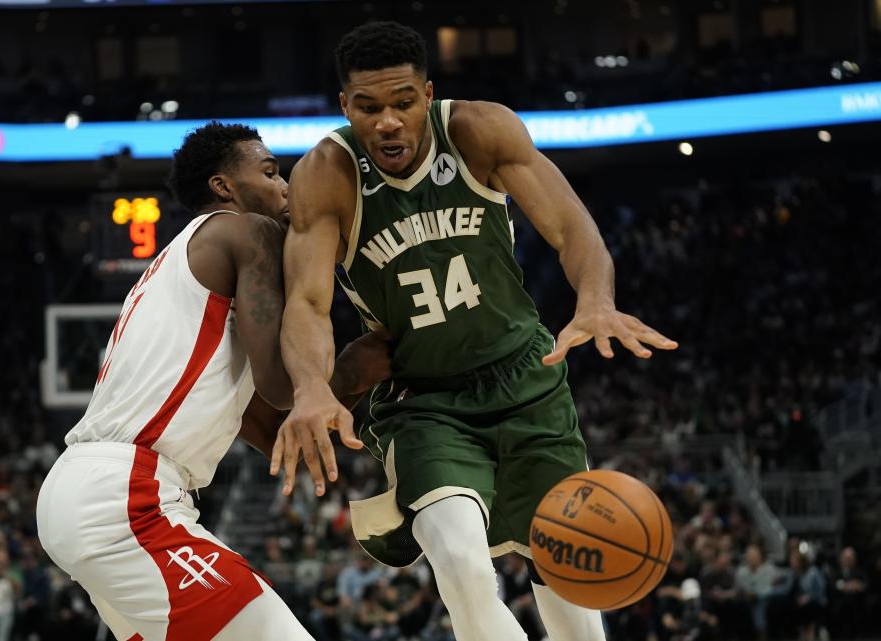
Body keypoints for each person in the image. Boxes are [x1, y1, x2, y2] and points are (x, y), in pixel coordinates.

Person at [274, 20, 677, 641]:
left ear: (428, 95)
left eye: (403, 103)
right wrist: (310, 387)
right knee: (460, 564)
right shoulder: (328, 172)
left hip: (526, 380)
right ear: (344, 106)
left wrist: (595, 299)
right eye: (369, 107)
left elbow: (572, 227)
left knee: (569, 573)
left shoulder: (479, 130)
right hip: (425, 400)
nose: (388, 122)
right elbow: (305, 300)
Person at [36, 122, 390, 641]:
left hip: (90, 493)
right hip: (127, 499)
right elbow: (280, 385)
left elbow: (268, 422)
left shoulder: (178, 269)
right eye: (270, 172)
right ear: (224, 186)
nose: (286, 185)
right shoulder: (246, 231)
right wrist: (368, 357)